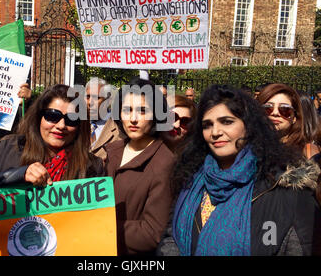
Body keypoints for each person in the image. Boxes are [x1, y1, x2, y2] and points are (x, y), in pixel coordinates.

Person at [158, 84, 321, 256]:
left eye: (227, 122)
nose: (215, 132)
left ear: (249, 126)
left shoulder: (286, 188)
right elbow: (171, 239)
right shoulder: (192, 180)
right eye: (207, 124)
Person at [0, 84, 104, 193]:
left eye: (72, 119)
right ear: (39, 117)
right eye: (52, 116)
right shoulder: (10, 147)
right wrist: (18, 175)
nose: (61, 125)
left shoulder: (92, 166)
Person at [104, 78, 176, 255]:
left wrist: (102, 227)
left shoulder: (164, 162)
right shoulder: (112, 152)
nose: (133, 119)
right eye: (127, 110)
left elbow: (152, 233)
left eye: (143, 111)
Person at [257, 83, 319, 159]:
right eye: (268, 108)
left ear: (295, 117)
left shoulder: (307, 152)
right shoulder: (248, 148)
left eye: (284, 109)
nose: (275, 113)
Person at [85, 77, 125, 161]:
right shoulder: (77, 125)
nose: (90, 102)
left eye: (96, 98)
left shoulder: (120, 129)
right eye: (88, 97)